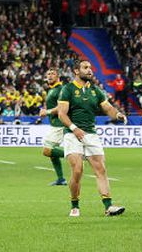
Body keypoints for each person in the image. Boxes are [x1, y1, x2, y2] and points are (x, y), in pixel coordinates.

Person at [55, 59, 127, 218]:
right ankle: (74, 205)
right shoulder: (67, 89)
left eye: (90, 68)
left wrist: (118, 114)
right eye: (85, 67)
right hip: (72, 134)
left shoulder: (95, 90)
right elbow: (61, 114)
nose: (90, 70)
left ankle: (109, 207)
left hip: (91, 134)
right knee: (78, 170)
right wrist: (74, 129)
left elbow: (107, 108)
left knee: (101, 169)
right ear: (76, 71)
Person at [37, 68, 66, 186]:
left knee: (47, 150)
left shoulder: (60, 89)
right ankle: (61, 179)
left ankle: (76, 154)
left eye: (52, 74)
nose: (49, 76)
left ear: (58, 76)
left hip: (60, 124)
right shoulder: (51, 90)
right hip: (55, 124)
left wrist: (47, 112)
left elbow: (61, 107)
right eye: (48, 74)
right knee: (51, 152)